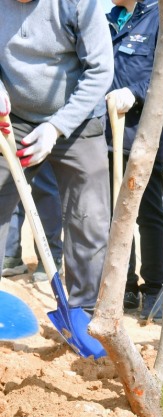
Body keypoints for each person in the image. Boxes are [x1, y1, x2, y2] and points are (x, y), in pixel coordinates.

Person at [0, 0, 113, 315]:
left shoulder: (78, 4)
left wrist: (56, 128)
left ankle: (86, 309)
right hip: (13, 119)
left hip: (77, 119)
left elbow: (101, 70)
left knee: (88, 216)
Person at [105, 0, 163, 322]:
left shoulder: (162, 16)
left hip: (142, 135)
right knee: (114, 213)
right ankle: (124, 287)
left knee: (148, 214)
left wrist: (135, 93)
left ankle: (156, 289)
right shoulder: (111, 20)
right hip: (106, 135)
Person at [2, 162, 64, 283]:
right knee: (9, 182)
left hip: (41, 145)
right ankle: (10, 253)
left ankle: (50, 257)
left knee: (43, 181)